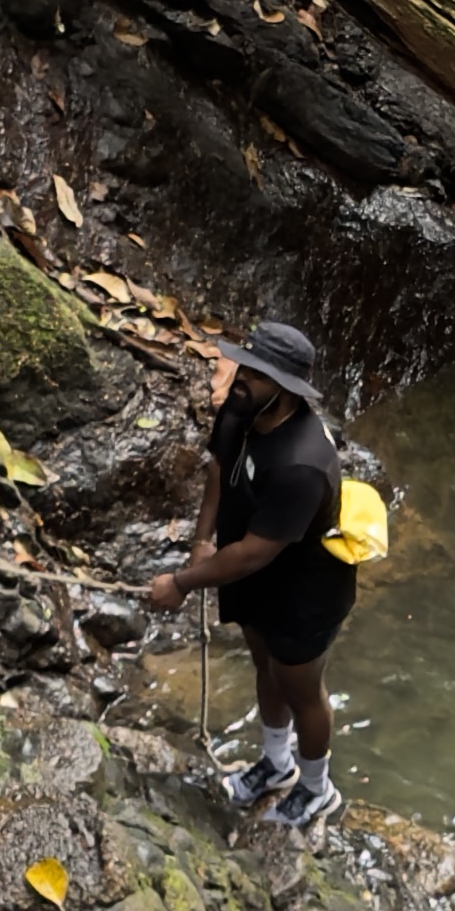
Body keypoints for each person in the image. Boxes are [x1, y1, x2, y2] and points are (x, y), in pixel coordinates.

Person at [153, 320, 364, 828]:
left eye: (259, 374)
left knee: (301, 689)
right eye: (245, 365)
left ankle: (317, 790)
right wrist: (202, 541)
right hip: (254, 578)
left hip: (303, 595)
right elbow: (218, 471)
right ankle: (276, 765)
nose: (242, 377)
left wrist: (181, 584)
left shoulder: (302, 464)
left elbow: (252, 553)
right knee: (265, 670)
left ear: (287, 391)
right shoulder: (243, 408)